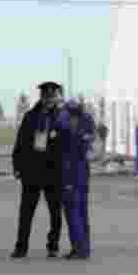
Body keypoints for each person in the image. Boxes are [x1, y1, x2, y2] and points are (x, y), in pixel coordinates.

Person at [11, 81, 64, 258]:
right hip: (32, 170)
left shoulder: (61, 116)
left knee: (55, 212)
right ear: (41, 97)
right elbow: (20, 142)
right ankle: (21, 247)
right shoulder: (30, 116)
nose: (48, 98)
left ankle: (53, 245)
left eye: (51, 95)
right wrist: (17, 166)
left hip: (53, 170)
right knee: (26, 212)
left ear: (55, 96)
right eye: (45, 95)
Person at [54, 99, 95, 259]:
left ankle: (78, 248)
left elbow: (56, 137)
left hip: (70, 172)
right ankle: (84, 248)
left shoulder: (65, 123)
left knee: (72, 212)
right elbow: (89, 142)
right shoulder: (87, 121)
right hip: (83, 172)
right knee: (82, 212)